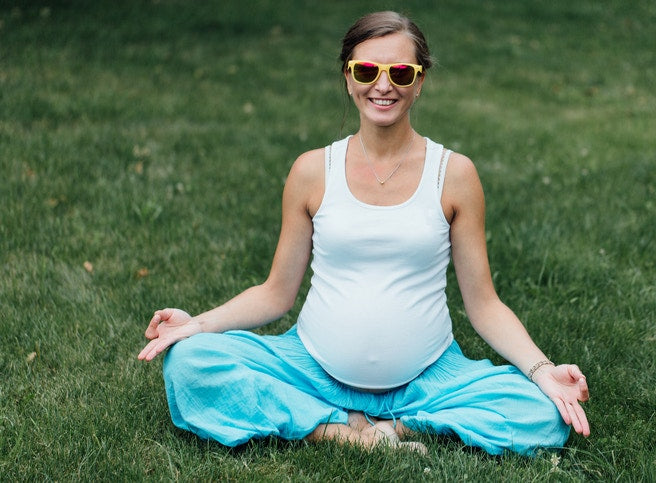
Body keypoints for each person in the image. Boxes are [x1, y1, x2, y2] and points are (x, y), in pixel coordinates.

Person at [138, 11, 589, 456]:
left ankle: (390, 424)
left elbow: (484, 305)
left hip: (428, 379)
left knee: (542, 412)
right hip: (310, 369)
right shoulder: (312, 171)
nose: (383, 84)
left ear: (419, 81)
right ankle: (342, 433)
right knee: (190, 363)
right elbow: (276, 293)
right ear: (349, 78)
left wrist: (542, 371)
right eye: (367, 70)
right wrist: (196, 326)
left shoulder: (454, 174)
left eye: (400, 72)